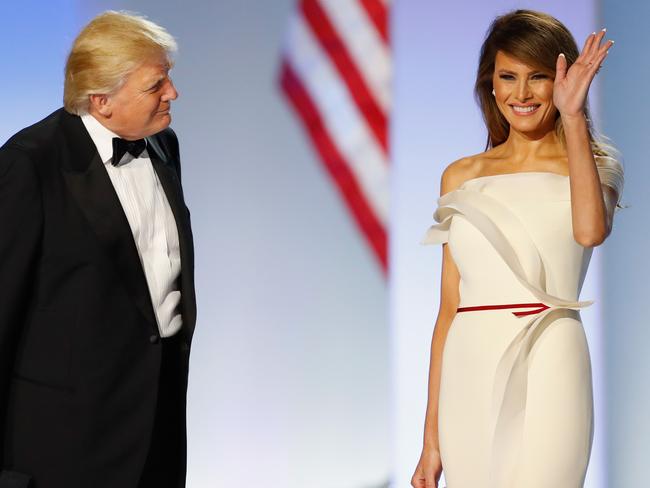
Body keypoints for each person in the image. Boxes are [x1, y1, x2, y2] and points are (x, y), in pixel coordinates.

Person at [411, 10, 623, 488]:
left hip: (553, 352)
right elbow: (448, 311)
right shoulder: (460, 175)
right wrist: (430, 441)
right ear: (491, 84)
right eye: (508, 77)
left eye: (538, 78)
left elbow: (590, 232)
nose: (521, 94)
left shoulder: (593, 164)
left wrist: (571, 118)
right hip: (471, 362)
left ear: (563, 79)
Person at [0, 11, 196, 488]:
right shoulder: (30, 164)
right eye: (156, 85)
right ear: (101, 100)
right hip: (65, 445)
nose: (172, 93)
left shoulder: (163, 145)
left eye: (168, 78)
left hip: (157, 422)